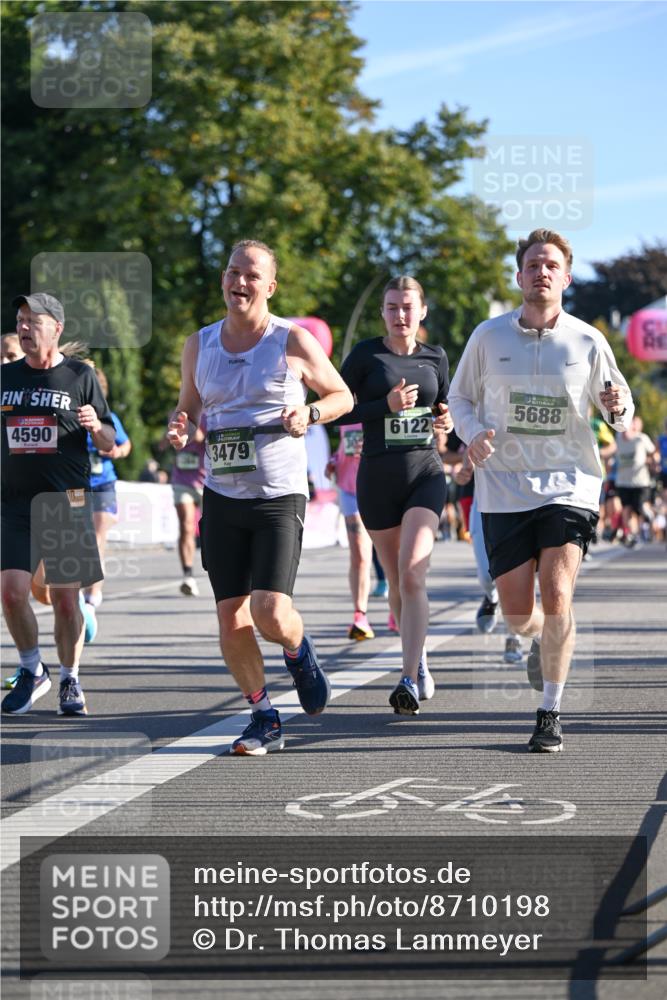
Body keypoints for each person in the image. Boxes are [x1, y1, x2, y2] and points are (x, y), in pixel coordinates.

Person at [449, 228, 633, 753]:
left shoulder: (588, 340)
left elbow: (620, 411)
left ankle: (549, 710)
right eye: (533, 265)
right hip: (503, 487)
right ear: (519, 276)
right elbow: (459, 398)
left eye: (551, 265)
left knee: (557, 595)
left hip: (569, 483)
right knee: (517, 614)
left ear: (566, 278)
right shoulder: (488, 337)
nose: (542, 272)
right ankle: (537, 639)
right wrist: (472, 434)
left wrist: (618, 407)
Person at [167, 239, 352, 755]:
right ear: (223, 279)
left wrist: (310, 413)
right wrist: (181, 426)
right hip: (222, 494)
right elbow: (188, 407)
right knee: (231, 615)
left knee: (270, 611)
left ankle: (298, 650)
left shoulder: (291, 340)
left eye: (251, 275)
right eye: (233, 272)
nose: (240, 282)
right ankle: (263, 715)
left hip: (277, 495)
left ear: (270, 286)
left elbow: (342, 396)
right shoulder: (198, 344)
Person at [340, 276, 453, 715]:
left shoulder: (435, 356)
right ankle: (417, 656)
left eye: (408, 307)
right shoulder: (365, 356)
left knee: (412, 574)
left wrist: (446, 422)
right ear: (382, 312)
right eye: (392, 307)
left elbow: (446, 406)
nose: (400, 315)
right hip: (377, 478)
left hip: (425, 473)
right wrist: (382, 407)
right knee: (395, 580)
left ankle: (407, 678)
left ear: (422, 311)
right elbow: (336, 409)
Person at [1, 293, 115, 716]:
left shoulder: (79, 375)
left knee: (66, 601)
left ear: (57, 328)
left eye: (33, 321)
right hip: (14, 503)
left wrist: (95, 426)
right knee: (11, 593)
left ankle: (70, 676)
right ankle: (33, 669)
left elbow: (109, 440)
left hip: (66, 502)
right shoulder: (5, 376)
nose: (24, 327)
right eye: (20, 320)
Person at [83, 365, 132, 611]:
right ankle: (82, 587)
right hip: (77, 486)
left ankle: (93, 593)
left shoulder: (109, 417)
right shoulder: (69, 416)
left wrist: (116, 452)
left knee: (97, 537)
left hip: (104, 483)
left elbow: (126, 445)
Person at [326, 423, 375, 641]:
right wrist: (334, 461)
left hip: (380, 487)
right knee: (360, 555)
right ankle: (360, 616)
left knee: (393, 556)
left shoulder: (384, 406)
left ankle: (398, 610)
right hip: (350, 489)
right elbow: (343, 446)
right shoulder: (345, 411)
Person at [161, 416, 206, 595]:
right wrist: (169, 436)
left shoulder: (211, 410)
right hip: (182, 480)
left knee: (214, 529)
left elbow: (201, 437)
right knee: (186, 526)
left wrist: (190, 428)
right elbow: (164, 443)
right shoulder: (176, 413)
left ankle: (220, 571)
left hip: (208, 480)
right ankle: (188, 576)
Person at [614, 415, 658, 547]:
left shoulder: (641, 438)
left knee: (641, 507)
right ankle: (631, 535)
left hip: (641, 482)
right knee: (626, 509)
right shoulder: (618, 437)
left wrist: (654, 462)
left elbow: (653, 452)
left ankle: (649, 518)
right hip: (623, 481)